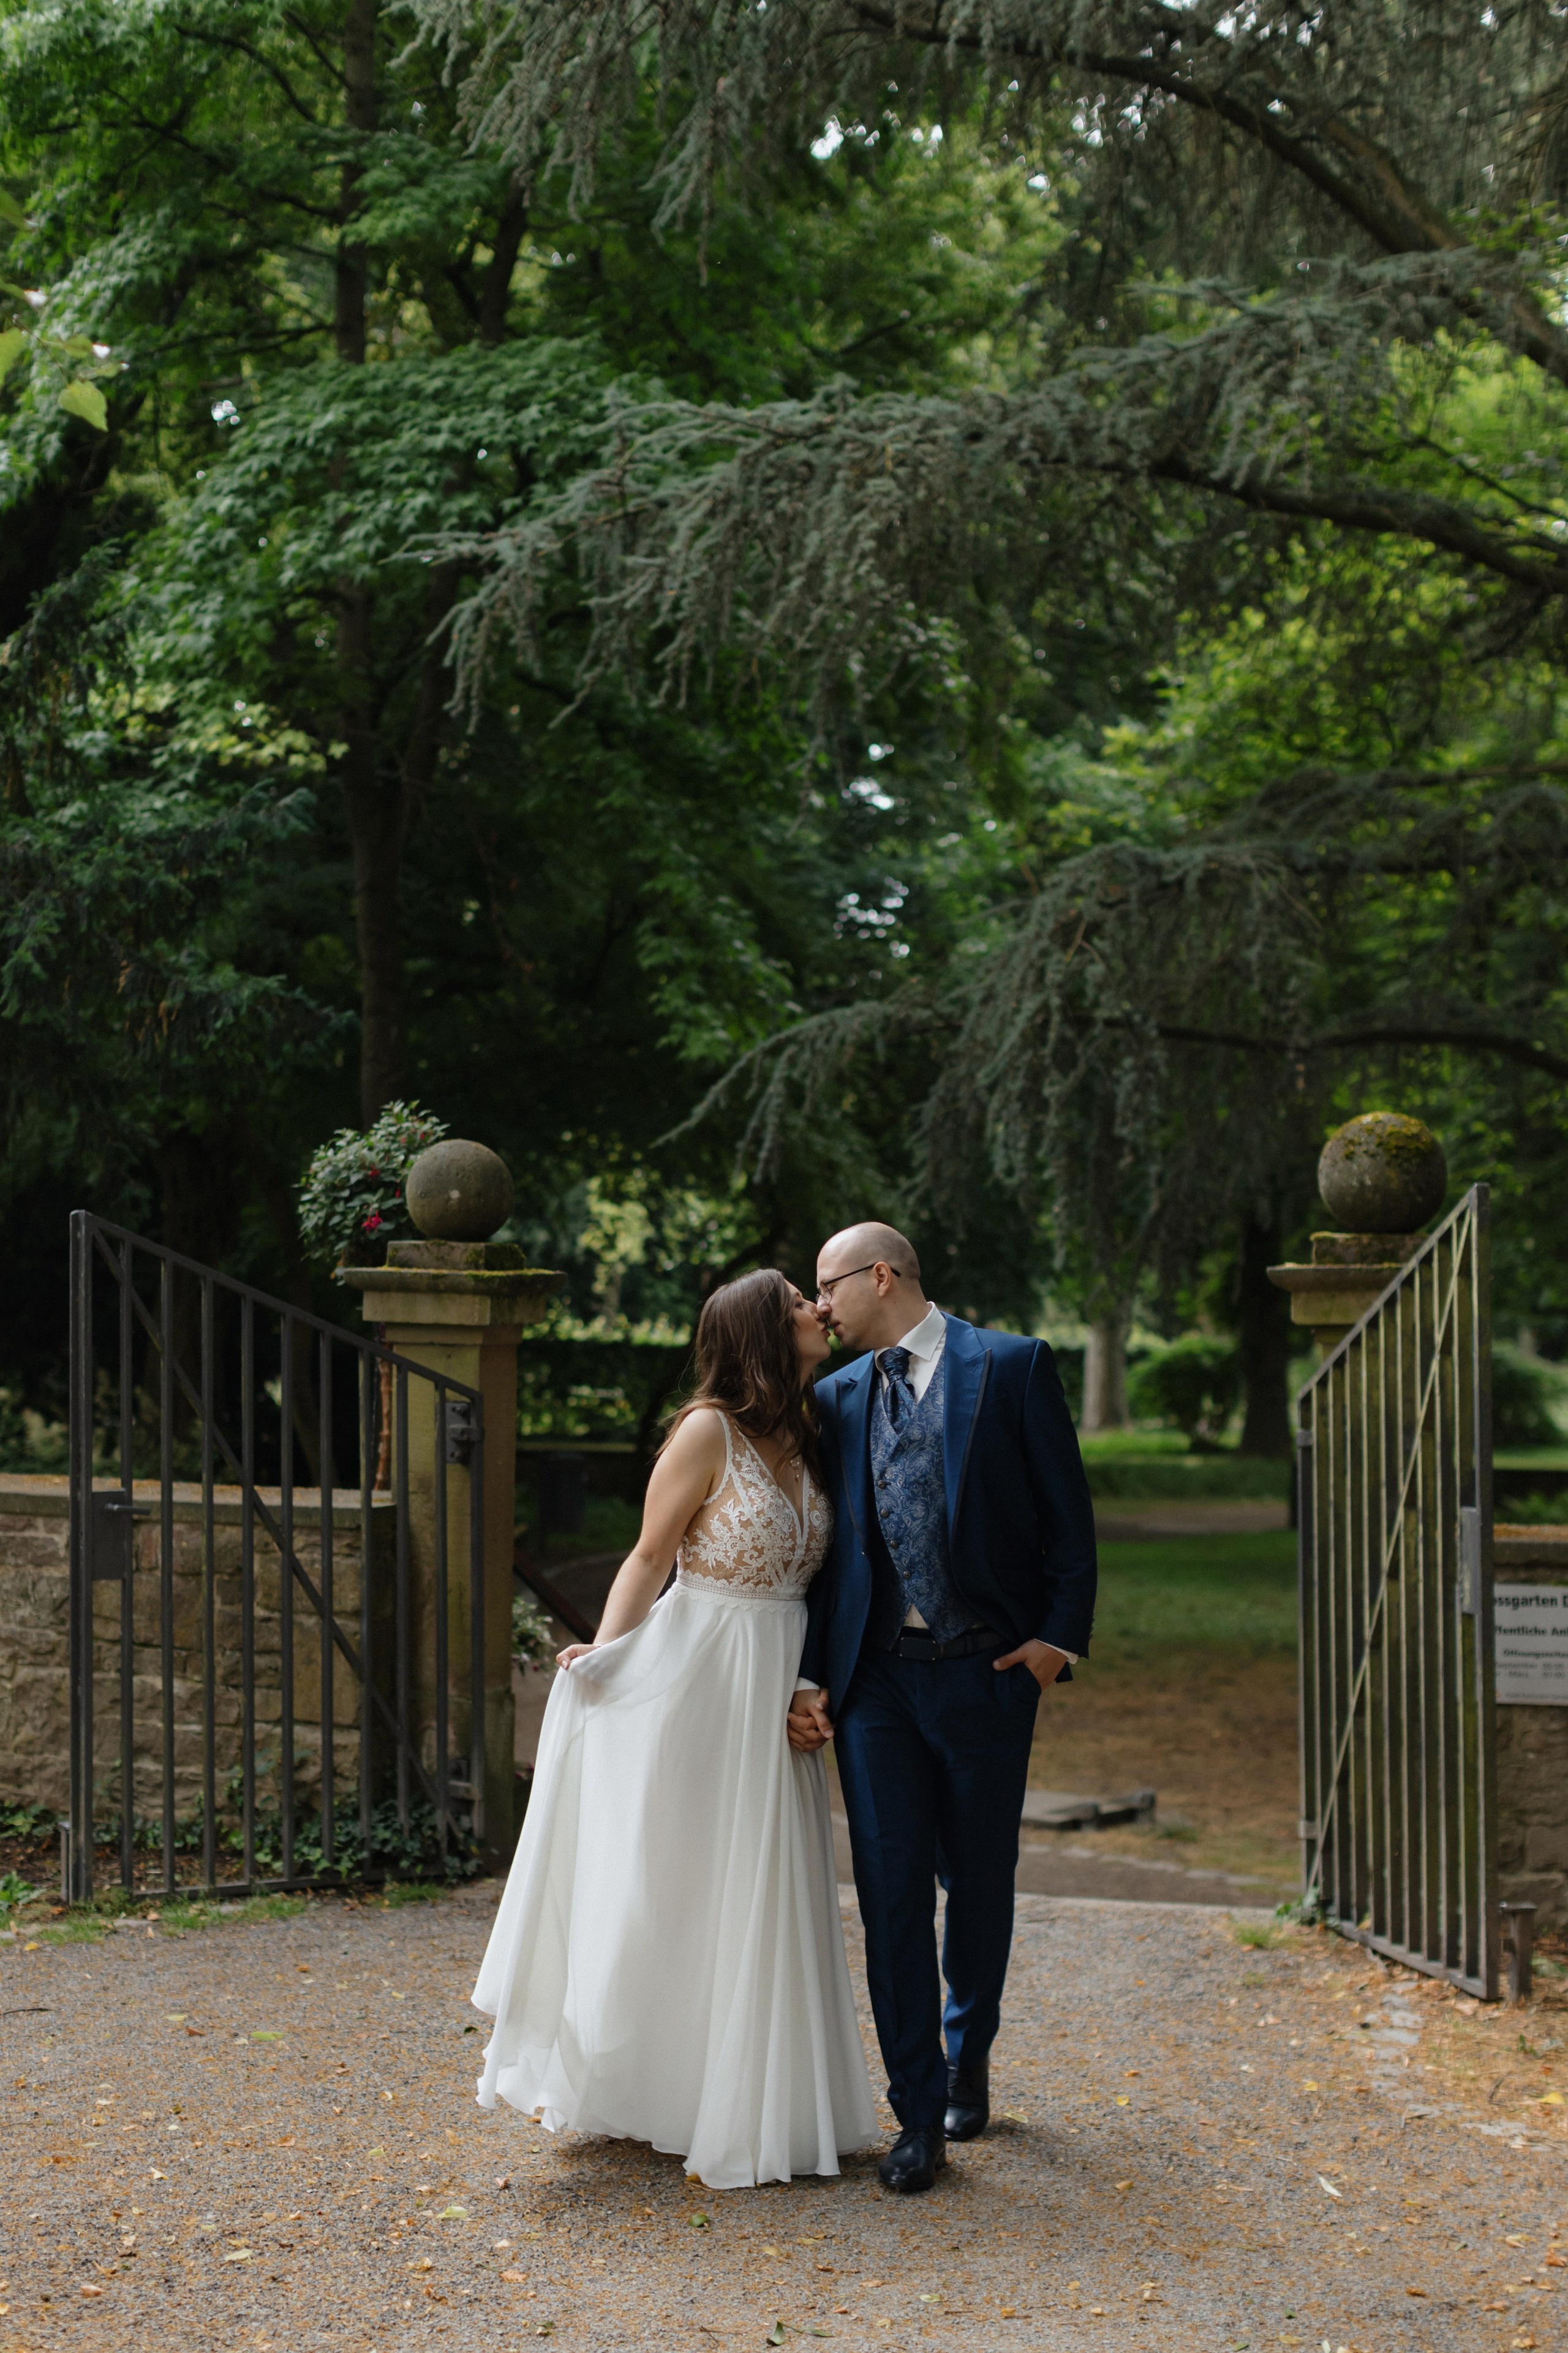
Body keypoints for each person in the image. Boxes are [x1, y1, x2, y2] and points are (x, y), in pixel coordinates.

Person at [470, 1268, 877, 2189]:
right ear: (764, 1333)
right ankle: (640, 2079)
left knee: (760, 1885)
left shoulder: (811, 1433)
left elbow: (818, 1587)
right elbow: (650, 1555)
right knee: (676, 1879)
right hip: (695, 1678)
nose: (819, 1310)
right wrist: (606, 1656)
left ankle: (745, 2098)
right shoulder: (706, 1431)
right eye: (799, 1304)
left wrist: (807, 1680)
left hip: (773, 1682)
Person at [788, 1222, 1096, 2194]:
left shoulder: (1011, 1367)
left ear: (882, 1275)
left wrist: (1056, 1640)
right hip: (876, 1680)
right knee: (887, 1894)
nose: (821, 1304)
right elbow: (822, 1555)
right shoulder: (833, 1398)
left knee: (980, 1882)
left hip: (987, 1670)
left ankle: (971, 2055)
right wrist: (808, 1672)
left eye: (829, 1284)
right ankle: (916, 2111)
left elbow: (1068, 1521)